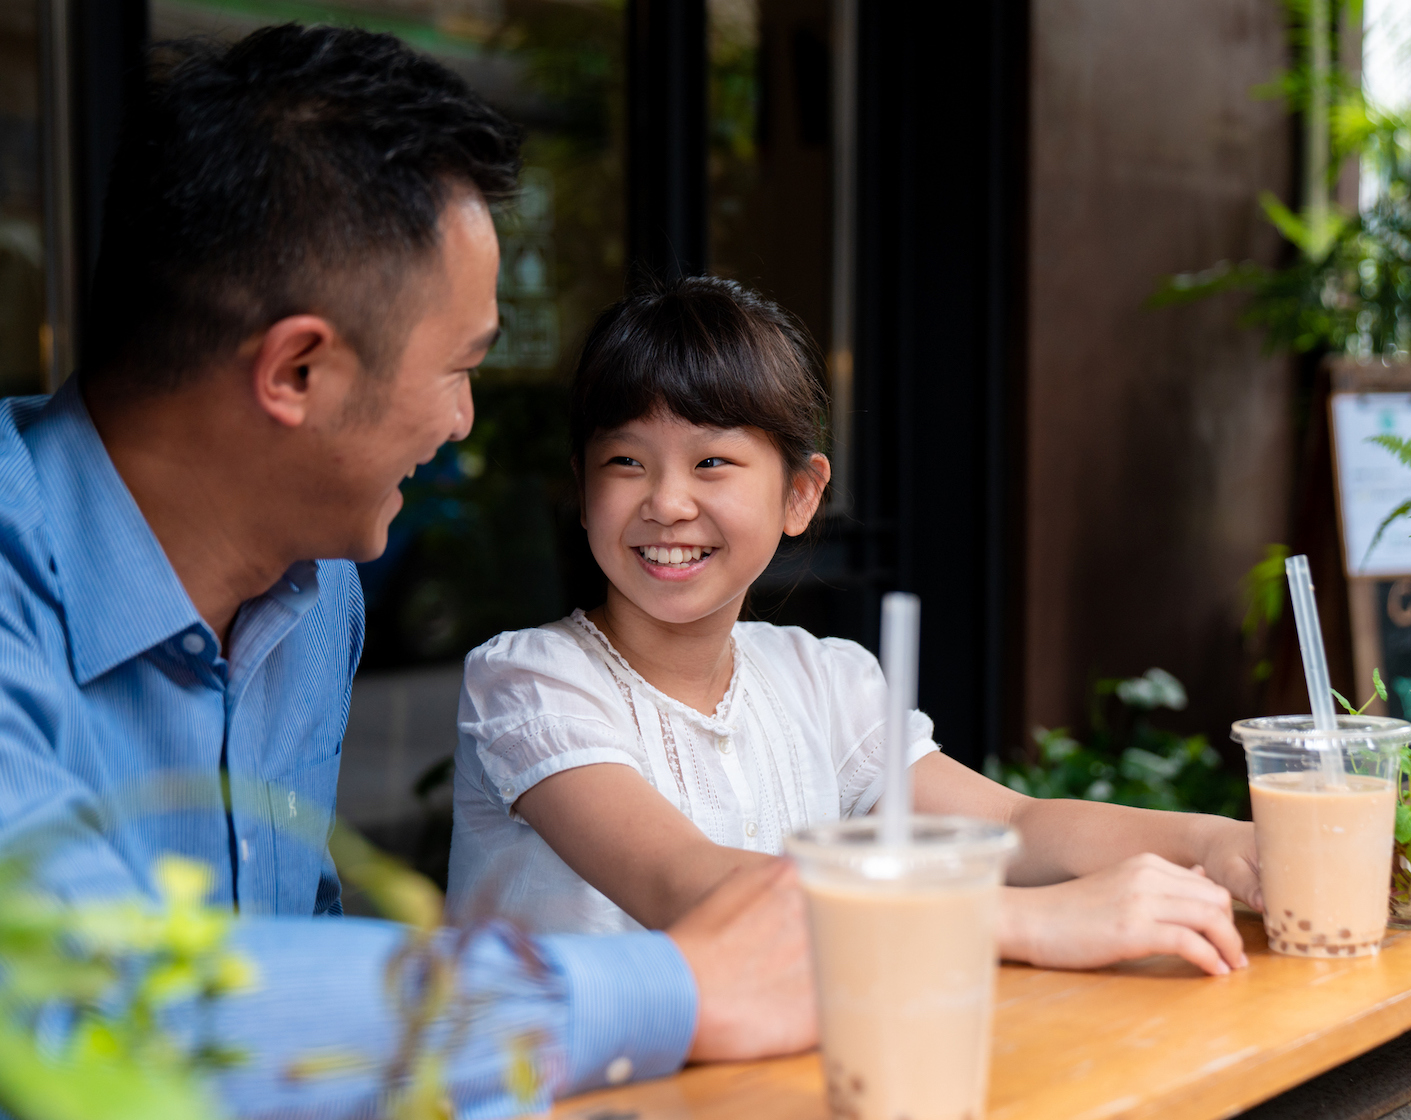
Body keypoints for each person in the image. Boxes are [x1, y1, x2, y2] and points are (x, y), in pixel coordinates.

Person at [0, 25, 814, 1118]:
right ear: (298, 369)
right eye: (461, 367)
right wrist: (682, 985)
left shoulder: (310, 588)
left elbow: (293, 971)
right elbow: (92, 996)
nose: (466, 422)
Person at [449, 276, 1263, 976]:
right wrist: (1029, 924)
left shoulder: (821, 679)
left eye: (711, 462)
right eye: (626, 461)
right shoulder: (530, 681)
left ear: (800, 494)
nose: (666, 502)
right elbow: (685, 882)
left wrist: (1210, 840)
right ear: (581, 487)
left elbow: (1013, 824)